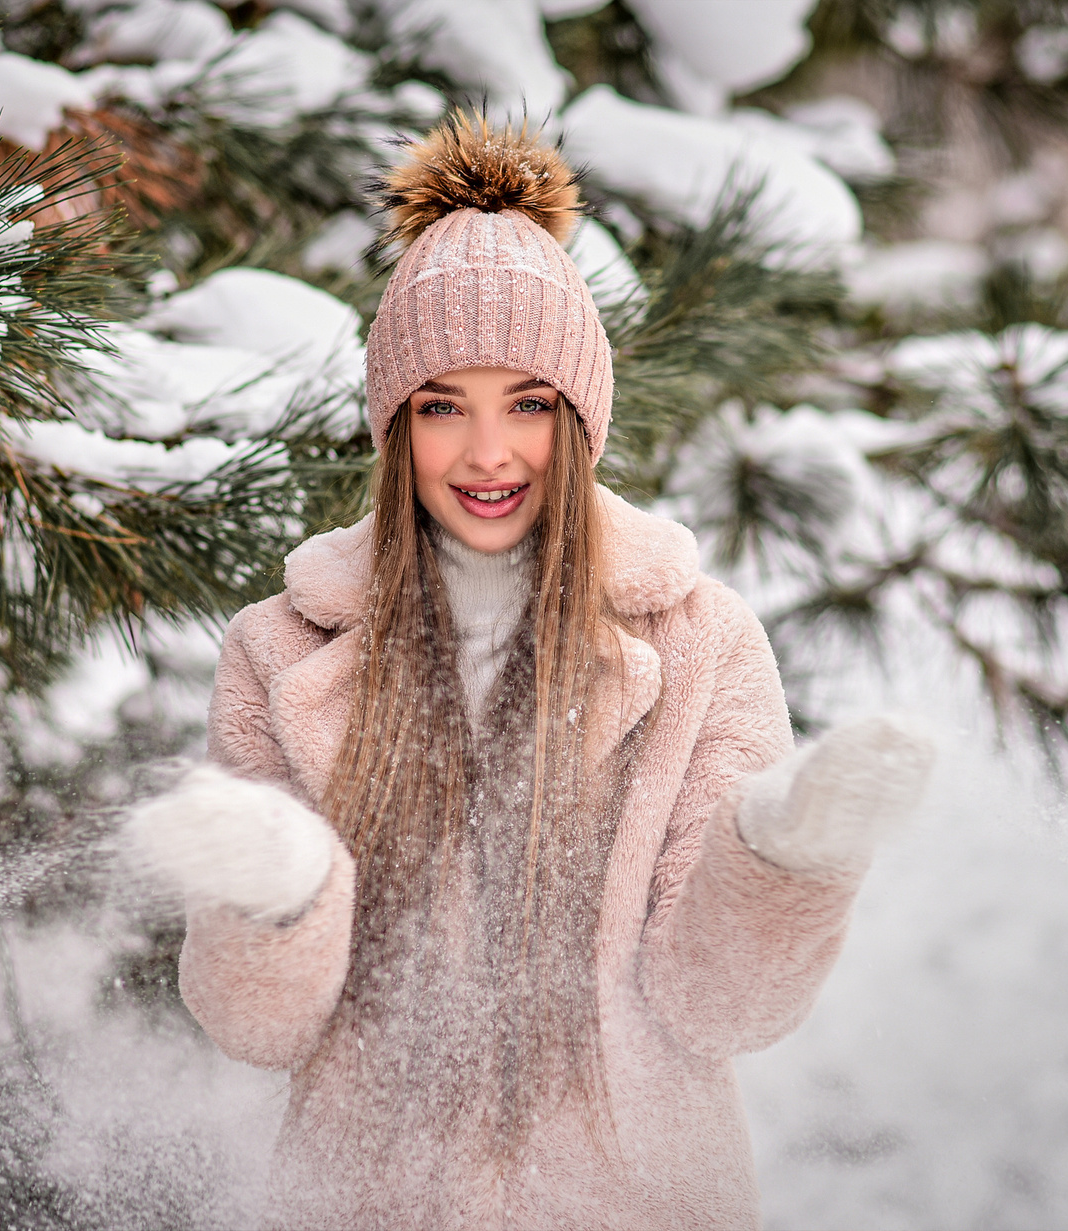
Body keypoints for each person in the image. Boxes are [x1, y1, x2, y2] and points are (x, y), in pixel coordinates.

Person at [120, 115, 934, 1230]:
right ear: (395, 425)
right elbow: (258, 1028)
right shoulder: (282, 648)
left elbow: (718, 1007)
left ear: (582, 418)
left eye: (529, 402)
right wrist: (276, 891)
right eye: (444, 404)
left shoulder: (702, 642)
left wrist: (788, 855)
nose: (489, 451)